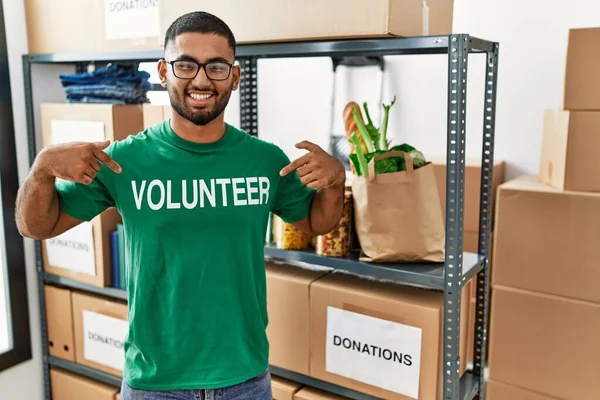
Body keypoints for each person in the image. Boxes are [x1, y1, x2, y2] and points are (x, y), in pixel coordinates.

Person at [15, 11, 345, 400]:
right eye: (185, 65)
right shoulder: (125, 161)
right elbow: (36, 226)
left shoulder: (265, 160)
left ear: (235, 77)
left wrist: (335, 180)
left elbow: (317, 222)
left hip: (246, 380)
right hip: (154, 383)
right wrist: (42, 170)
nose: (201, 80)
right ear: (162, 71)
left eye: (217, 67)